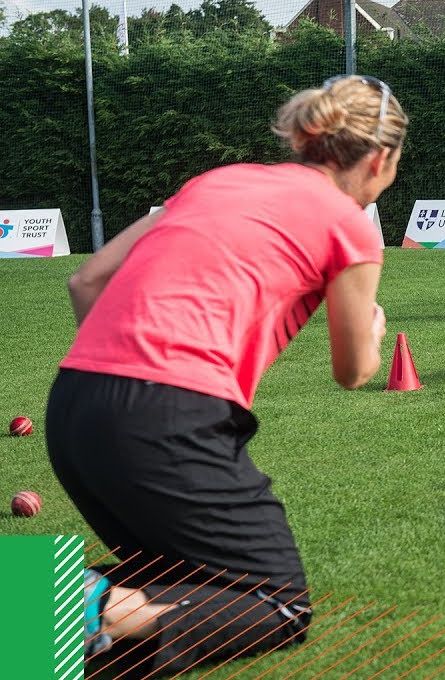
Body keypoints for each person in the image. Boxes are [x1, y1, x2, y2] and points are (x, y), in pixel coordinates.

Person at [47, 75, 404, 674]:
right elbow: (351, 372)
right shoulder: (351, 224)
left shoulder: (216, 181)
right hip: (169, 413)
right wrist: (370, 336)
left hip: (76, 401)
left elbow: (87, 280)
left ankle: (47, 617)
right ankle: (66, 606)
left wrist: (120, 374)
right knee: (275, 603)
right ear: (379, 158)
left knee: (175, 580)